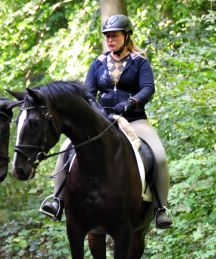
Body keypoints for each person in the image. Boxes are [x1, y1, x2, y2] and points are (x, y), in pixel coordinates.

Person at [40, 14, 173, 229]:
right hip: (103, 120)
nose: (110, 40)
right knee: (66, 149)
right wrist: (97, 110)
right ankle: (57, 201)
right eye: (107, 37)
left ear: (126, 36)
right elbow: (88, 92)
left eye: (115, 36)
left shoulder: (140, 62)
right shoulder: (98, 63)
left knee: (158, 157)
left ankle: (160, 209)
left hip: (133, 119)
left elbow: (148, 88)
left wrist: (132, 103)